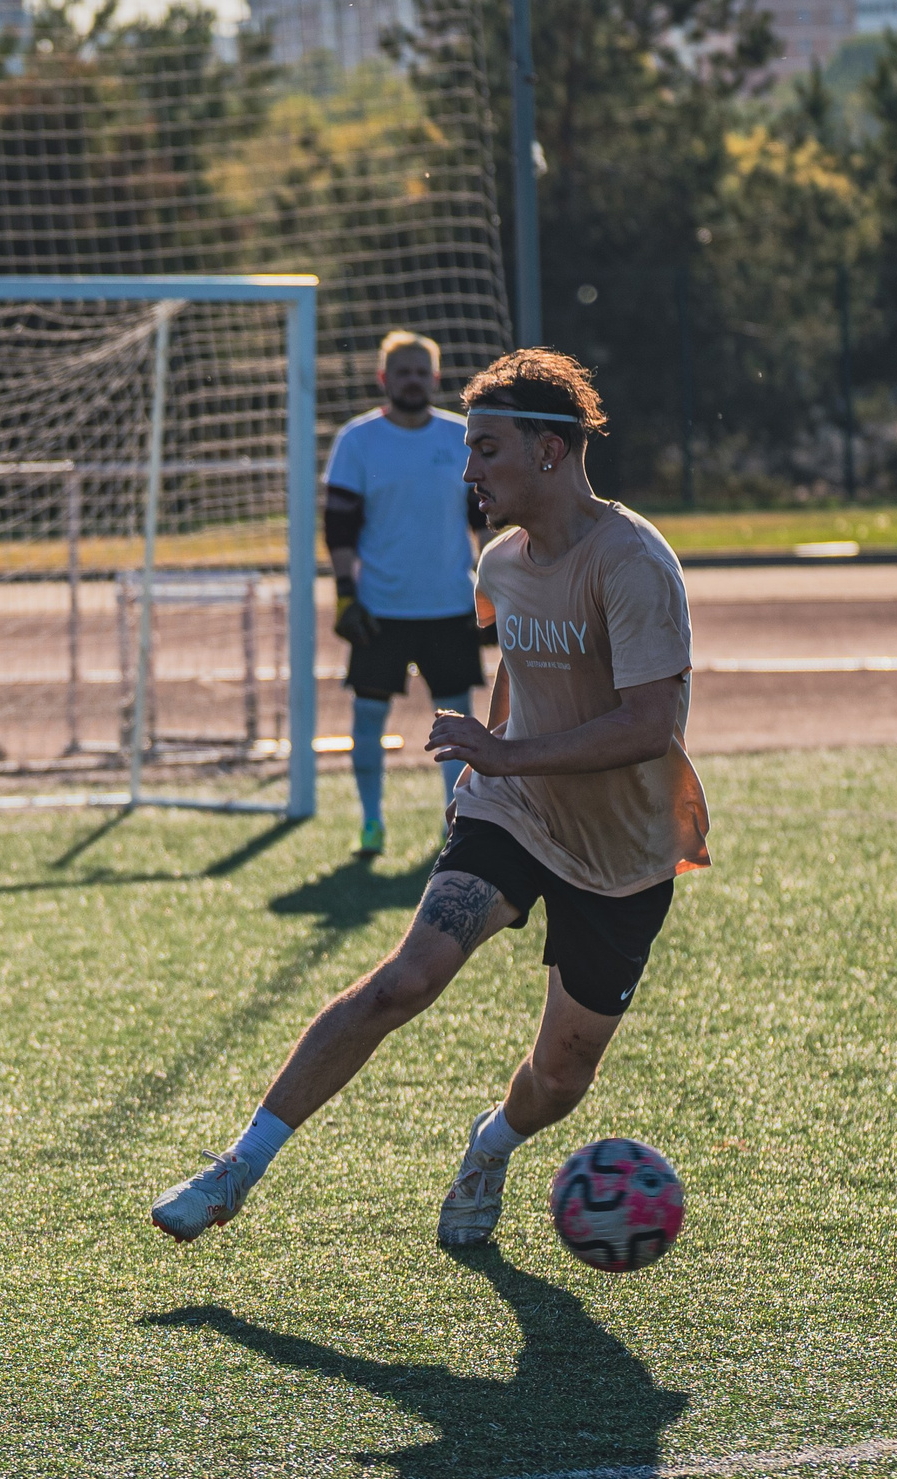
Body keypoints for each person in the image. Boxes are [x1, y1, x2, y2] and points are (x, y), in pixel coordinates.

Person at [151, 348, 709, 1249]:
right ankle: (236, 1169)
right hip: (515, 815)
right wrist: (489, 769)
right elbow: (516, 679)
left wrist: (503, 751)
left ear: (549, 453)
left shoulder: (633, 562)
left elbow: (649, 727)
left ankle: (491, 1145)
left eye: (487, 449)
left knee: (560, 1079)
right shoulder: (500, 562)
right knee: (403, 980)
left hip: (625, 855)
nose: (469, 470)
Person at [323, 329, 488, 858]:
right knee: (368, 717)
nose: (413, 380)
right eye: (402, 372)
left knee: (457, 721)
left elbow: (486, 522)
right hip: (381, 608)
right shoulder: (358, 440)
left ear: (435, 378)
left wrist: (493, 589)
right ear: (383, 378)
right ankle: (372, 823)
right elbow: (340, 528)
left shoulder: (459, 437)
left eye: (422, 371)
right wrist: (347, 594)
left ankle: (456, 823)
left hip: (450, 606)